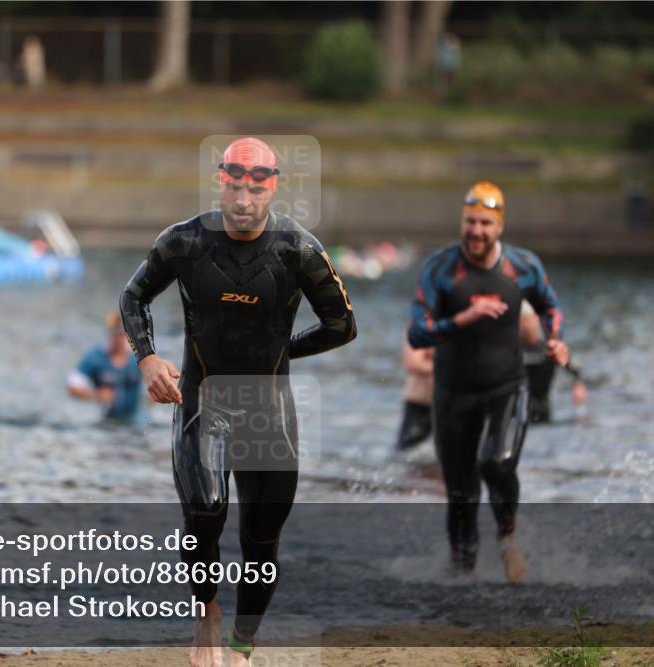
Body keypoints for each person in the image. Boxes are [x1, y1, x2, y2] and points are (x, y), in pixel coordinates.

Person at [120, 137, 356, 666]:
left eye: (257, 184)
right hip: (203, 400)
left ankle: (244, 648)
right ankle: (207, 612)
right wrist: (148, 359)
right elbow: (133, 296)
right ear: (221, 180)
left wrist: (285, 351)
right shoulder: (184, 242)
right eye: (235, 183)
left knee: (261, 541)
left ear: (273, 186)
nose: (244, 197)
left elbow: (342, 325)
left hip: (270, 411)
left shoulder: (298, 249)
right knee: (204, 513)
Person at [407, 181, 569, 583]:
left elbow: (551, 306)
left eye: (484, 223)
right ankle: (464, 574)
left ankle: (508, 539)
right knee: (460, 493)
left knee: (496, 462)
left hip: (506, 387)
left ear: (499, 227)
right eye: (469, 222)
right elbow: (417, 331)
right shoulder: (440, 268)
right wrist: (461, 320)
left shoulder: (523, 266)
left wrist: (554, 340)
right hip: (452, 392)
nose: (475, 231)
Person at [67, 312, 144, 424]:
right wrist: (96, 394)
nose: (116, 337)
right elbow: (73, 386)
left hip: (136, 418)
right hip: (107, 420)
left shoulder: (138, 356)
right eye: (112, 332)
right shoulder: (95, 357)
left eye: (119, 333)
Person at [520, 300, 588, 423]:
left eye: (529, 322)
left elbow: (575, 369)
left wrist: (578, 385)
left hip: (542, 406)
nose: (526, 327)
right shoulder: (511, 349)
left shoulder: (551, 348)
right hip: (518, 409)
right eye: (523, 323)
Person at [396, 334, 435, 451]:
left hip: (449, 403)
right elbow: (413, 363)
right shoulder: (420, 325)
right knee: (407, 453)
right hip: (420, 403)